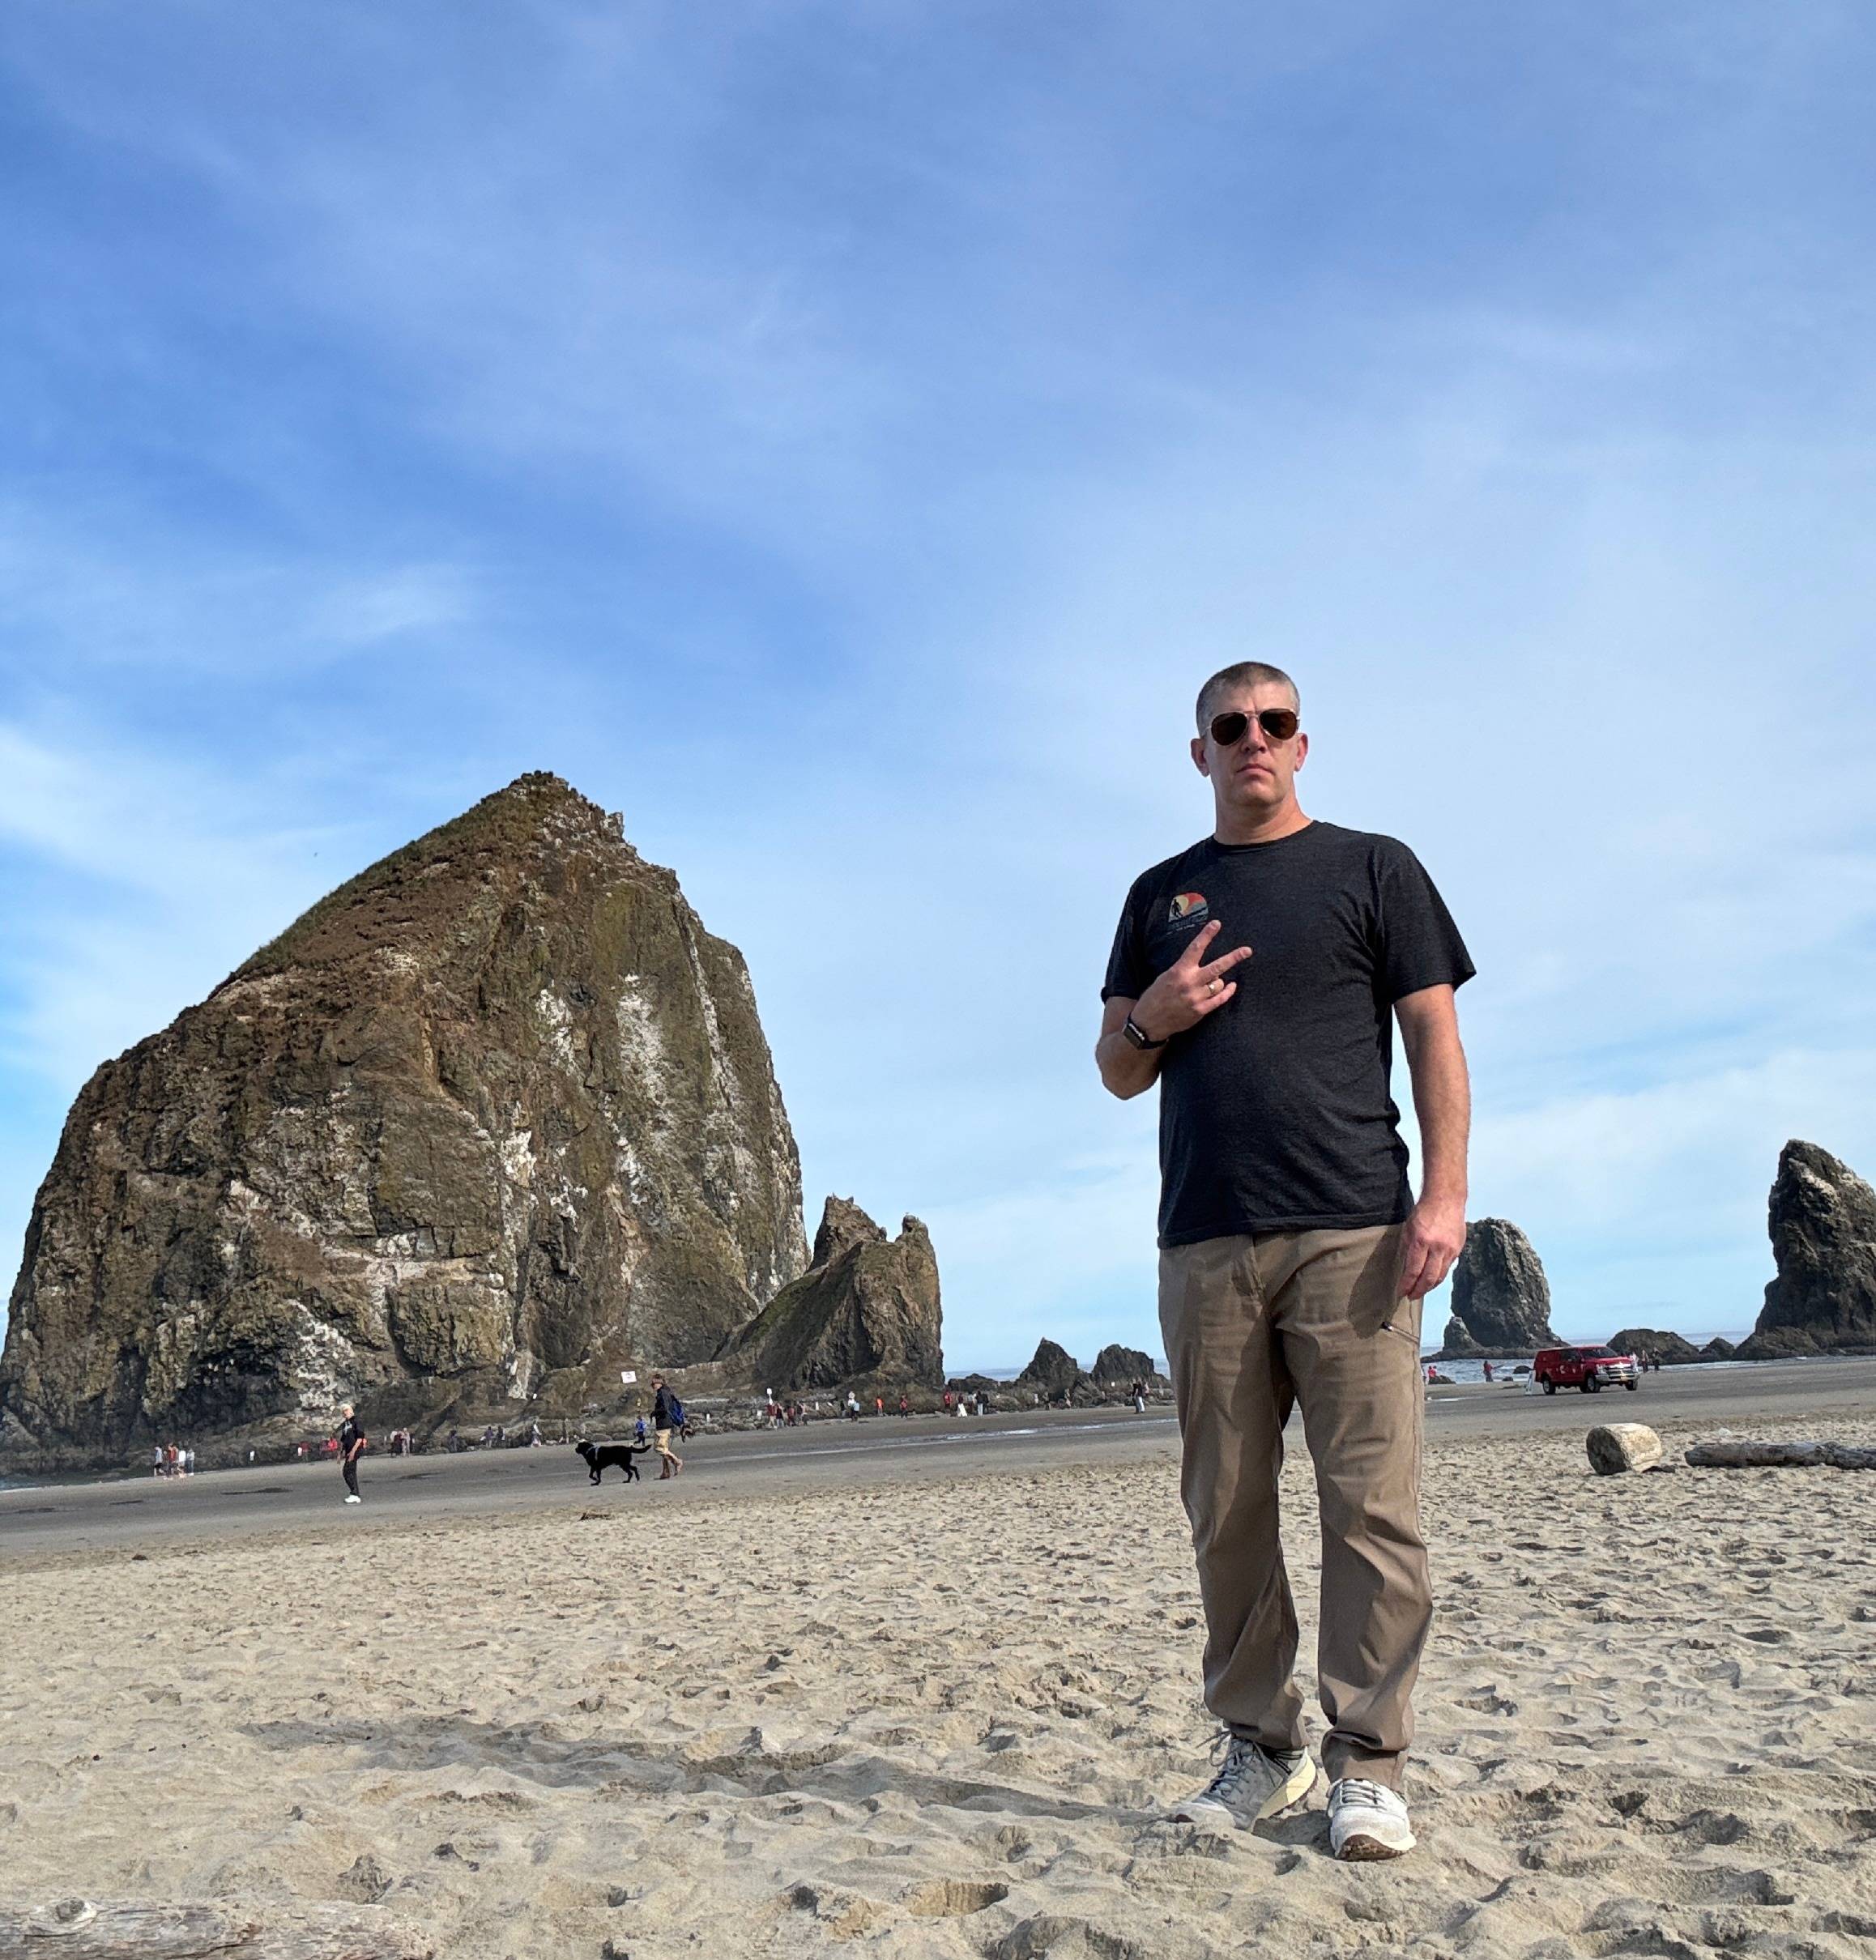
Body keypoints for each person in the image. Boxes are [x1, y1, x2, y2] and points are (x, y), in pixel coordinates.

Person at [1097, 661, 1473, 1863]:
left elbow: (1434, 1036)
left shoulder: (1376, 868)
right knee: (1229, 1508)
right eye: (1230, 727)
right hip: (1205, 1239)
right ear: (1197, 751)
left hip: (1356, 1228)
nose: (1253, 740)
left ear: (1303, 745)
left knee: (1372, 1508)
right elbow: (1115, 1063)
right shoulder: (1160, 894)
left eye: (1275, 724)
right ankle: (1261, 1746)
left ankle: (1369, 1764)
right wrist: (1157, 1011)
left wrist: (1446, 1199)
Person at [650, 1374, 684, 1479]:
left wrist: (654, 1413)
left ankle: (677, 1461)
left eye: (653, 1383)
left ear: (659, 1383)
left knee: (659, 1448)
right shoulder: (666, 1392)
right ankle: (666, 1472)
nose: (652, 1386)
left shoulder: (663, 1393)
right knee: (664, 1448)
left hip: (664, 1424)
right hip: (666, 1423)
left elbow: (665, 1408)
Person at [337, 1404, 368, 1505]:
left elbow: (360, 1438)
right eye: (343, 1411)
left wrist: (353, 1452)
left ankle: (354, 1494)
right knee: (351, 1472)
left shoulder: (356, 1421)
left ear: (351, 1411)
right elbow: (343, 1439)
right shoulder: (345, 1424)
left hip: (355, 1449)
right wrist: (339, 1453)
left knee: (347, 1471)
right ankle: (356, 1494)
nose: (345, 1413)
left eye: (346, 1410)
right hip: (348, 1450)